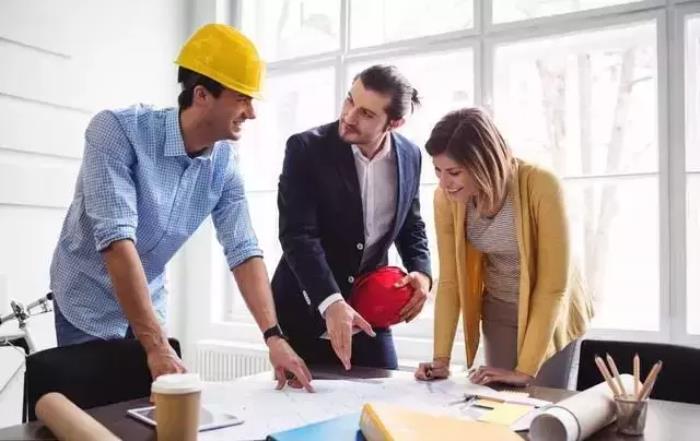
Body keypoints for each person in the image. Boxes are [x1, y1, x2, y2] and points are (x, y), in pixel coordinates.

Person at [49, 24, 312, 391]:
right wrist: (156, 345)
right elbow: (116, 241)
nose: (251, 113)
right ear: (202, 95)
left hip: (149, 303)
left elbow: (244, 250)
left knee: (146, 412)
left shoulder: (225, 163)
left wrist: (274, 337)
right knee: (90, 415)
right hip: (87, 302)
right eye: (242, 98)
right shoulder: (116, 131)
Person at [415, 108, 593, 388]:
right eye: (438, 171)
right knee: (499, 401)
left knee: (543, 402)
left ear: (483, 164)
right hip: (499, 305)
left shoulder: (542, 185)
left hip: (551, 309)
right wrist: (441, 359)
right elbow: (450, 281)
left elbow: (553, 288)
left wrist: (525, 371)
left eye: (454, 172)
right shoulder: (446, 198)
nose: (444, 183)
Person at [272, 65, 432, 370]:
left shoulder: (410, 155)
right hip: (306, 309)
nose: (349, 116)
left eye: (366, 113)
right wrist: (331, 302)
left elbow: (411, 225)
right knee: (305, 397)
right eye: (349, 100)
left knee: (384, 393)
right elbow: (298, 235)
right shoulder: (305, 149)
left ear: (394, 122)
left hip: (370, 310)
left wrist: (422, 273)